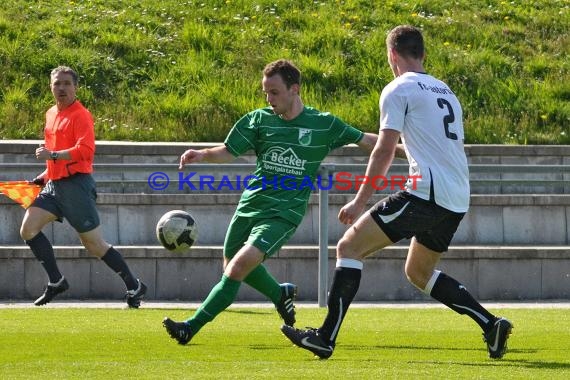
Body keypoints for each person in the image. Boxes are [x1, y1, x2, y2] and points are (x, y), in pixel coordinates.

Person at [281, 25, 513, 360]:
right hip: (457, 196)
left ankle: (325, 337)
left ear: (392, 54)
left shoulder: (398, 88)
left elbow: (385, 150)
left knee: (349, 246)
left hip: (425, 194)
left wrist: (360, 201)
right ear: (422, 54)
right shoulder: (445, 91)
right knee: (417, 273)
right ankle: (491, 324)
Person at [162, 59, 378, 345]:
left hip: (283, 214)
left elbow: (367, 141)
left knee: (237, 268)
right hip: (251, 204)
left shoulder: (323, 124)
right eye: (266, 93)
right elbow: (229, 151)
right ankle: (280, 294)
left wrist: (410, 152)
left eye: (274, 92)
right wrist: (202, 154)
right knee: (230, 264)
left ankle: (190, 327)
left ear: (295, 89)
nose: (269, 99)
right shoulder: (259, 120)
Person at [20, 66, 147, 308]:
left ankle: (134, 285)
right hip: (54, 186)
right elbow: (54, 157)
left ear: (76, 88)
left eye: (67, 83)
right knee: (28, 228)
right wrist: (44, 175)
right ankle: (56, 281)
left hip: (77, 186)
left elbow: (86, 150)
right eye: (57, 83)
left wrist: (53, 155)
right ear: (50, 87)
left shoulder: (81, 115)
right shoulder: (50, 114)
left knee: (94, 244)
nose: (62, 88)